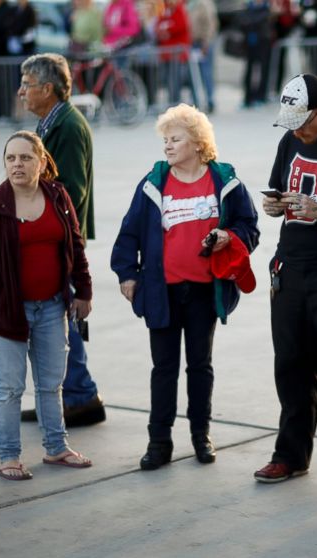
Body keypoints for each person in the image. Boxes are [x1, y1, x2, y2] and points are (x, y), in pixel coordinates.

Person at [111, 104, 259, 471]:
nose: (167, 146)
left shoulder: (224, 181)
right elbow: (129, 232)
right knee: (164, 368)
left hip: (205, 292)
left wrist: (229, 235)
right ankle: (158, 442)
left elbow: (249, 226)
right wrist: (127, 274)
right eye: (165, 140)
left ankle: (200, 435)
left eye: (175, 139)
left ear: (197, 143)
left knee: (200, 366)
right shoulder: (153, 182)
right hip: (162, 291)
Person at [0, 131, 94, 481]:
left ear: (41, 161)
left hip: (53, 306)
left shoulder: (57, 195)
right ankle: (9, 457)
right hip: (8, 311)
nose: (17, 164)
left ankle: (56, 448)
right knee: (10, 388)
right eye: (11, 158)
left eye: (25, 158)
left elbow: (76, 246)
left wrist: (83, 290)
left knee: (51, 383)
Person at [253, 74, 317, 486]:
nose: (297, 131)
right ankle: (291, 454)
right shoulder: (290, 138)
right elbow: (278, 190)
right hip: (290, 267)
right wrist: (274, 205)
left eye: (303, 122)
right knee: (291, 367)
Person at [17, 53, 106, 427]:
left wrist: (38, 215)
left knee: (59, 322)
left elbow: (72, 192)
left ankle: (81, 396)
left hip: (59, 242)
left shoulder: (67, 126)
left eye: (27, 85)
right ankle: (65, 396)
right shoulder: (49, 122)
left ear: (48, 89)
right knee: (53, 323)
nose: (21, 91)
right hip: (52, 239)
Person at [187, 0, 219, 113]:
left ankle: (210, 101)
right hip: (193, 43)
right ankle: (195, 100)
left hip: (203, 42)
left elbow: (210, 24)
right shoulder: (190, 4)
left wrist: (207, 42)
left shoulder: (204, 3)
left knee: (206, 73)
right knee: (194, 73)